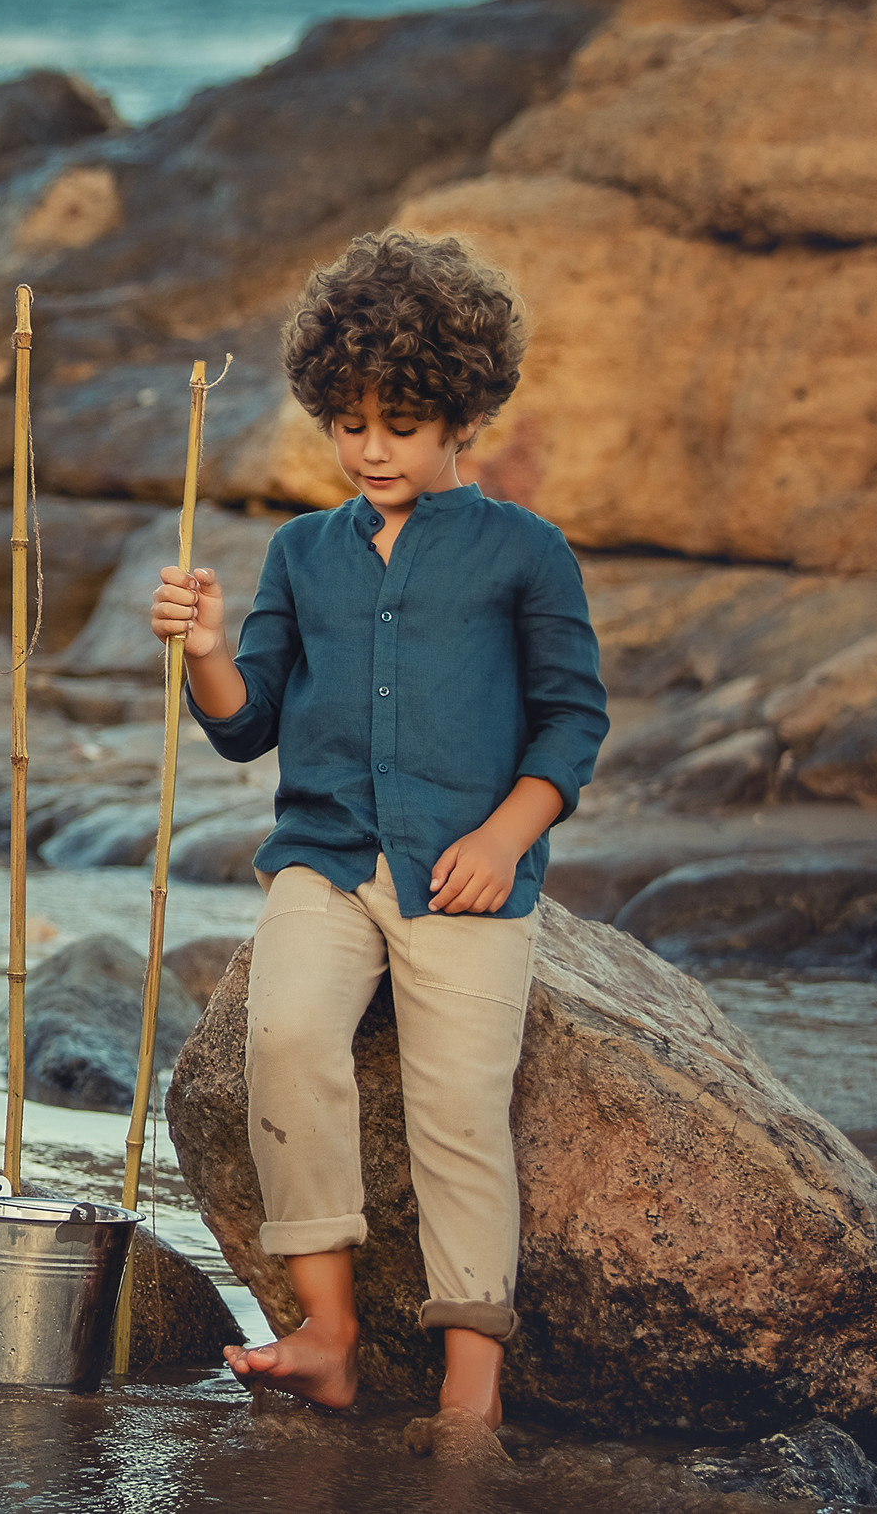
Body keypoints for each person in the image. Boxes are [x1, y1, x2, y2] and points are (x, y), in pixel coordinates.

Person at [150, 230, 608, 1451]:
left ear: (462, 412)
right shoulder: (301, 554)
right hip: (328, 860)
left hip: (470, 876)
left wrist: (510, 836)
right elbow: (244, 726)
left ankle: (471, 1397)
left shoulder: (527, 552)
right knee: (287, 1035)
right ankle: (327, 1337)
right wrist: (199, 648)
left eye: (399, 421)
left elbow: (573, 718)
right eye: (348, 422)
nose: (370, 448)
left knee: (461, 1112)